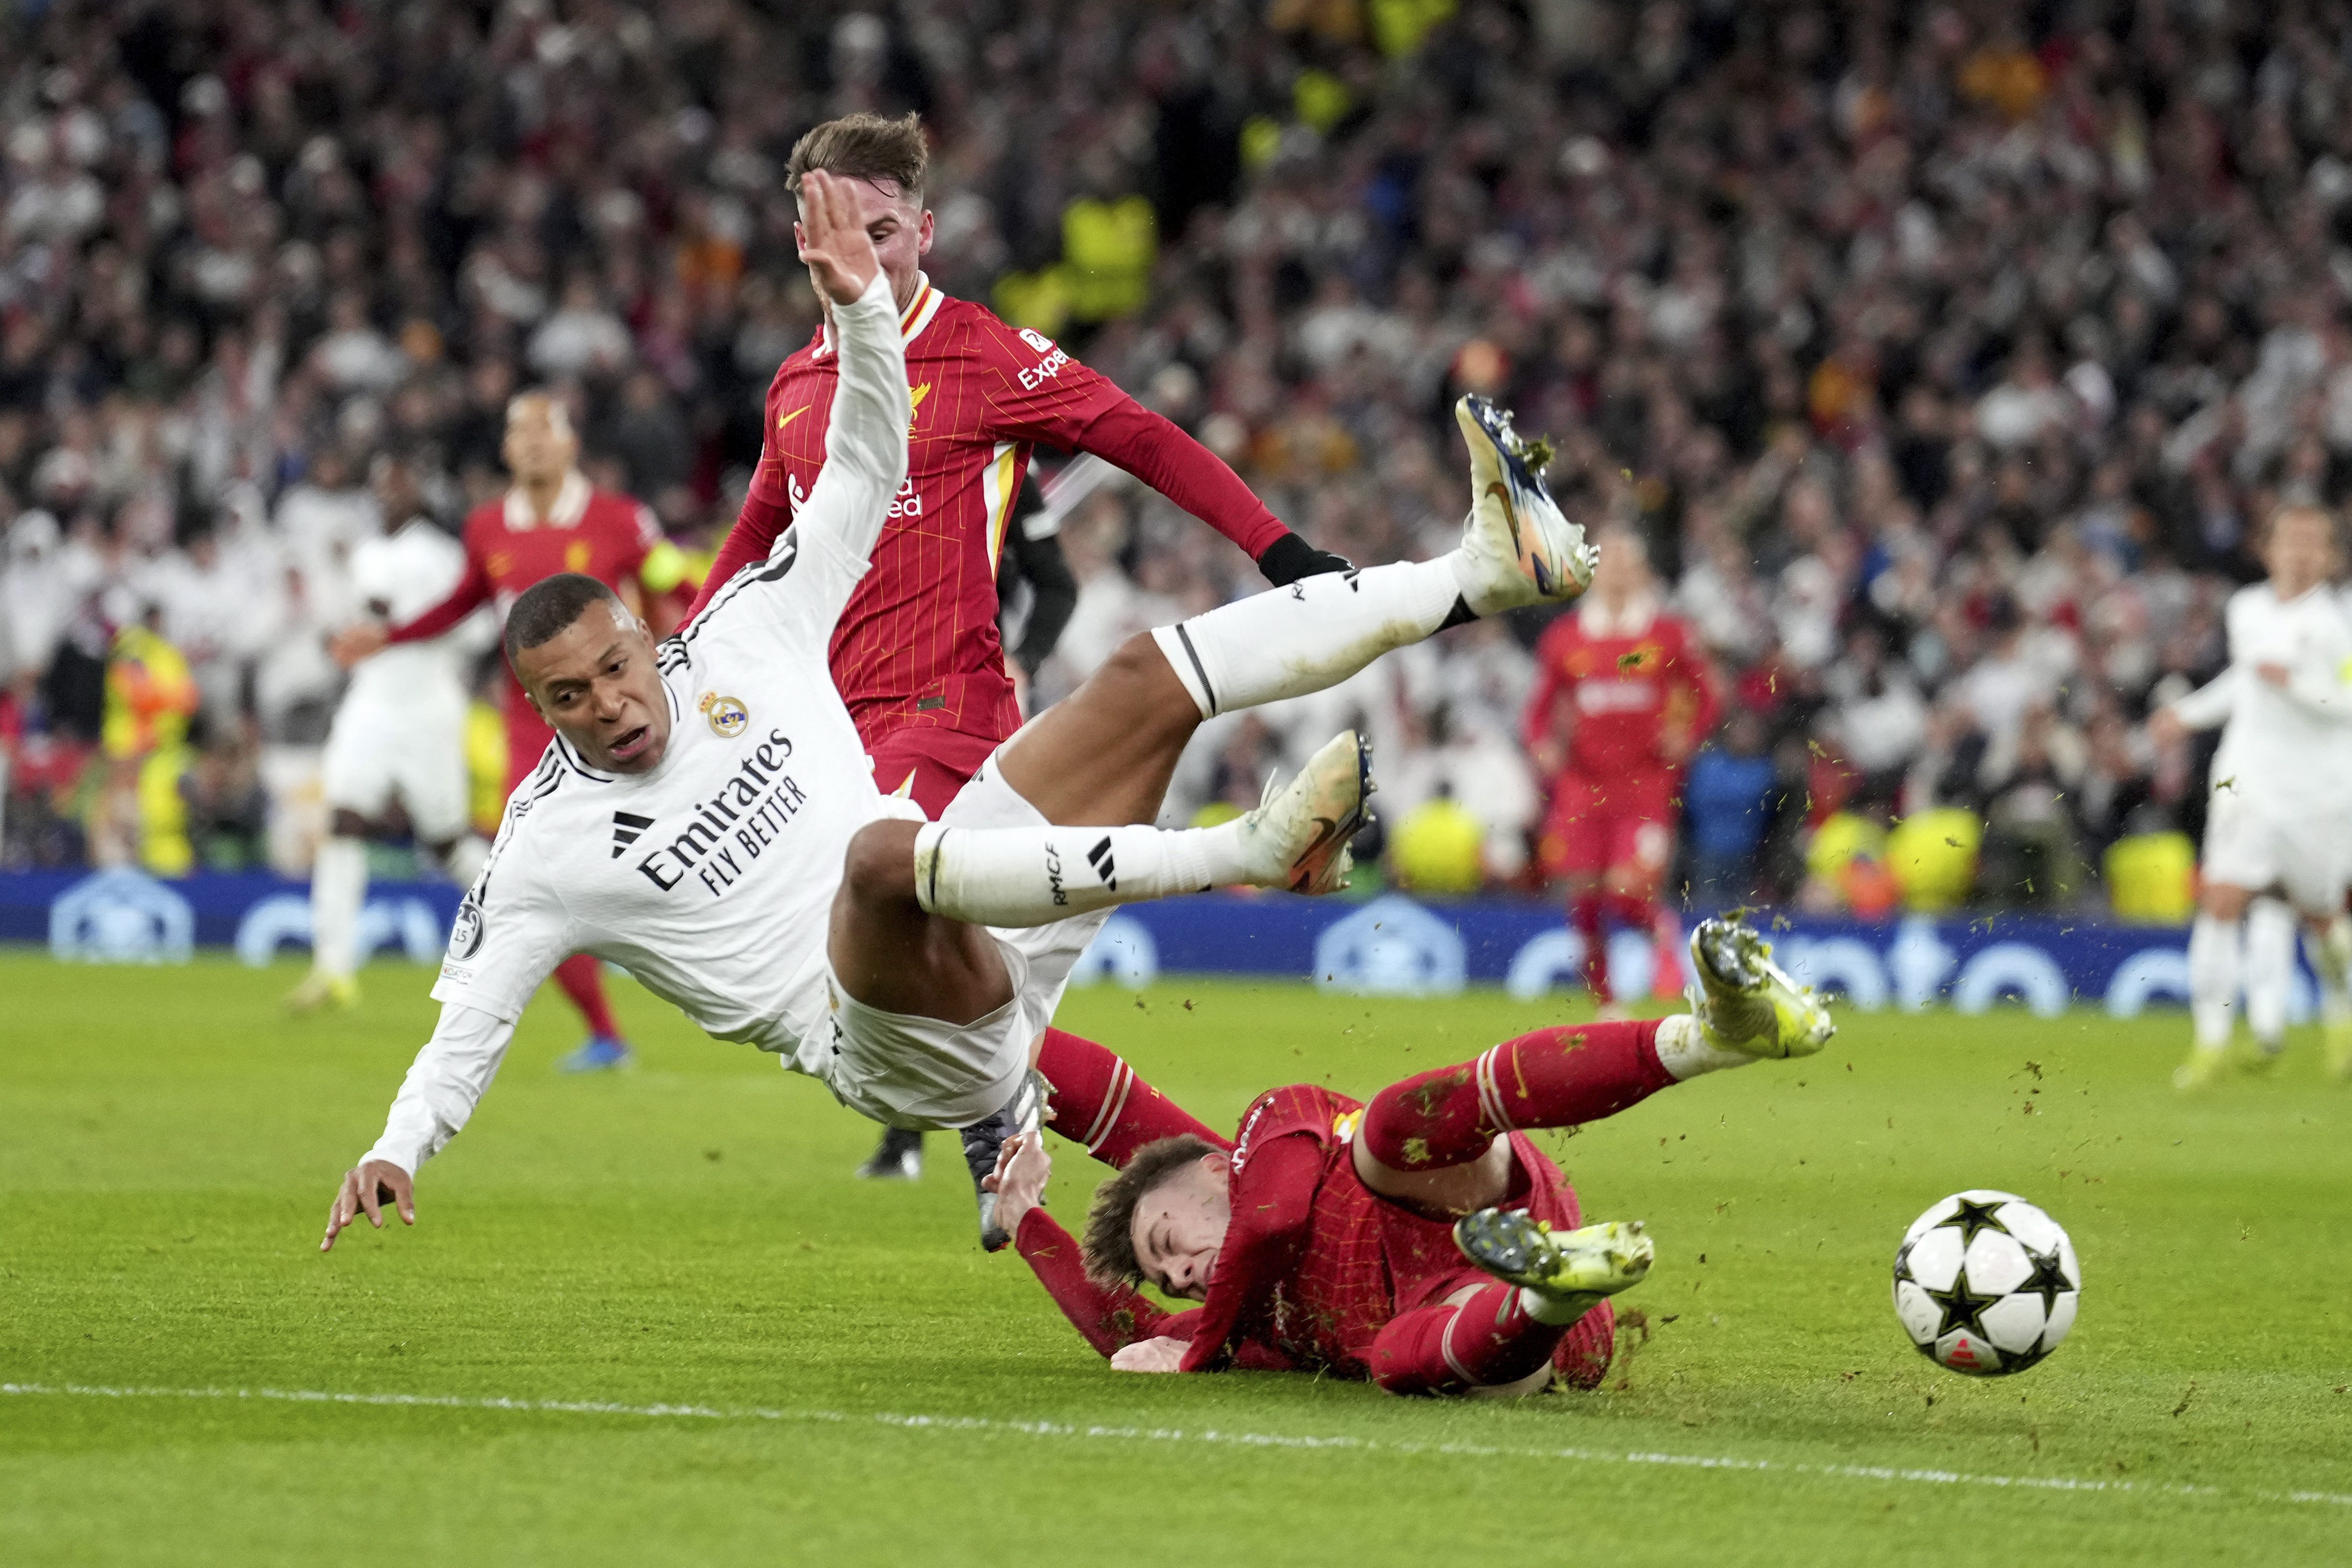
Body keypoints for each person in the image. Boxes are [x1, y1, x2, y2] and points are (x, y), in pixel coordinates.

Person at [318, 171, 1598, 1255]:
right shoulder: (546, 840)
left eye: (615, 671)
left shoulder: (741, 640)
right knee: (884, 862)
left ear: (649, 641)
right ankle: (1246, 857)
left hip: (981, 900)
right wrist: (396, 1145)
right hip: (879, 1039)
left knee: (1146, 676)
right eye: (569, 700)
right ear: (536, 709)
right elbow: (472, 1019)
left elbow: (868, 464)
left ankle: (1477, 576)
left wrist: (863, 310)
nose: (607, 708)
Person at [680, 114, 1352, 1185]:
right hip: (831, 733)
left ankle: (1018, 1106)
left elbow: (1137, 432)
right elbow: (760, 535)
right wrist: (687, 664)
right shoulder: (797, 384)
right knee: (934, 990)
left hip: (948, 715)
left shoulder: (981, 352)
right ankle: (1097, 1138)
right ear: (802, 236)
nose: (862, 255)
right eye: (836, 230)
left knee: (883, 941)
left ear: (925, 234)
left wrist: (1277, 547)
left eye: (884, 231)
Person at [985, 918, 1832, 1394]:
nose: (1178, 1279)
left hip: (1463, 1194)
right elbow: (1125, 1333)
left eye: (1168, 1245)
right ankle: (1550, 1288)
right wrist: (1024, 1219)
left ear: (1215, 1169)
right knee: (1394, 1360)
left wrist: (983, 1028)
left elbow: (1272, 1219)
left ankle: (1708, 1037)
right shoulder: (1239, 1321)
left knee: (1389, 1134)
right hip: (1518, 1338)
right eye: (1169, 1281)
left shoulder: (1275, 1126)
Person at [330, 395, 686, 1072]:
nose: (529, 442)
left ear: (571, 443)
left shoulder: (621, 521)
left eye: (542, 428)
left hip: (627, 723)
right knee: (529, 881)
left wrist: (703, 648)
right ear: (503, 449)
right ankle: (606, 1032)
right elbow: (463, 601)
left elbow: (677, 584)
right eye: (516, 431)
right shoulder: (487, 527)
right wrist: (388, 637)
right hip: (535, 733)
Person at [2152, 502, 2352, 1087]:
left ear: (2331, 556)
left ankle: (2341, 1020)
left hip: (2317, 792)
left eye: (2313, 543)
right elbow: (2245, 679)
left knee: (2323, 919)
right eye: (2290, 540)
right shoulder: (2246, 608)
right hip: (2247, 780)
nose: (2300, 552)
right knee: (2220, 900)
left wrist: (2298, 685)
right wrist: (2186, 715)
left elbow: (2344, 701)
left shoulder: (2339, 624)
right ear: (2267, 550)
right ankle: (2209, 1047)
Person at [288, 451, 494, 1012]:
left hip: (428, 706)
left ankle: (527, 919)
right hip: (370, 703)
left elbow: (478, 628)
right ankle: (333, 970)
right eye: (381, 483)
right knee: (343, 821)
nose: (389, 493)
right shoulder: (366, 553)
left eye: (400, 482)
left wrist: (408, 626)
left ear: (419, 491)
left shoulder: (441, 553)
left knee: (447, 843)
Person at [1523, 524, 1721, 1009]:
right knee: (1586, 901)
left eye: (1624, 563)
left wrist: (1686, 735)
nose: (1615, 573)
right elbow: (1538, 711)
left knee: (1630, 893)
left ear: (1641, 573)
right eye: (1605, 563)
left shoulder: (1667, 635)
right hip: (1583, 785)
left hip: (1646, 784)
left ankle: (1663, 933)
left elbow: (1708, 695)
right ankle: (1606, 1003)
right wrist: (1541, 745)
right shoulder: (1566, 638)